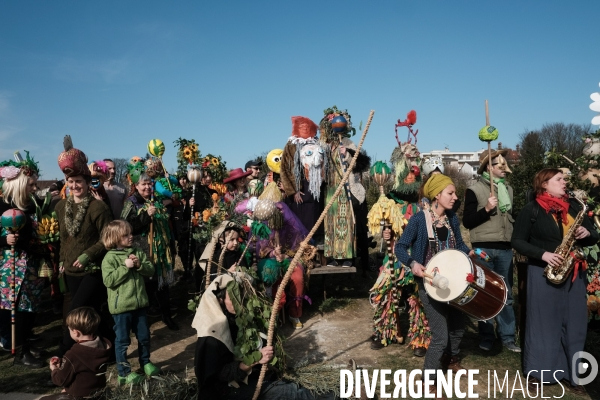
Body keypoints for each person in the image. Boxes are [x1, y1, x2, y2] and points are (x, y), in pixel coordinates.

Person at [512, 168, 597, 395]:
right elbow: (517, 241)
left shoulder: (575, 207)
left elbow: (595, 235)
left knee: (575, 324)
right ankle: (539, 373)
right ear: (544, 184)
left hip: (575, 273)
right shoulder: (531, 210)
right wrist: (543, 254)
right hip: (543, 272)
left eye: (564, 179)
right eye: (558, 179)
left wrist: (587, 234)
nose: (564, 182)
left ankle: (573, 375)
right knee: (543, 324)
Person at [192, 273, 337, 400]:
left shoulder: (233, 319)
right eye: (235, 298)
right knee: (289, 392)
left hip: (243, 378)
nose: (241, 302)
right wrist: (255, 360)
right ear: (220, 300)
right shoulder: (212, 336)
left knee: (287, 382)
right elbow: (219, 376)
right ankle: (340, 396)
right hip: (225, 391)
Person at [395, 174, 473, 399]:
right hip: (429, 284)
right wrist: (413, 263)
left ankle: (449, 361)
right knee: (440, 336)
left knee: (458, 327)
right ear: (436, 196)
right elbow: (400, 247)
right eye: (450, 193)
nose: (455, 197)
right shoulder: (419, 219)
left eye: (455, 193)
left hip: (454, 282)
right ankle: (428, 381)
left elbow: (458, 243)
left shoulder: (452, 218)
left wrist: (470, 252)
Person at [55, 137, 114, 356]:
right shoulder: (61, 207)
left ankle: (63, 353)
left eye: (78, 181)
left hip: (92, 269)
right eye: (70, 182)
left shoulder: (98, 208)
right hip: (71, 270)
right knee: (92, 312)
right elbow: (64, 237)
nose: (74, 186)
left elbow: (107, 238)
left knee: (75, 312)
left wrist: (89, 255)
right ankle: (109, 348)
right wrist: (61, 259)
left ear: (88, 182)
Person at [462, 149, 520, 353]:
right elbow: (467, 221)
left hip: (505, 248)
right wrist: (486, 210)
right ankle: (486, 336)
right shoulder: (475, 190)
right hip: (483, 248)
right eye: (500, 166)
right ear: (489, 167)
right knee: (484, 293)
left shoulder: (509, 190)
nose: (505, 169)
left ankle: (507, 337)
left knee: (506, 294)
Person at [0, 152, 48, 367]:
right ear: (19, 184)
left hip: (32, 264)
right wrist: (3, 239)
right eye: (30, 184)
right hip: (11, 267)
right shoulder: (2, 206)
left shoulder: (32, 205)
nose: (34, 188)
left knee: (30, 308)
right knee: (16, 309)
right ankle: (20, 351)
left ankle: (26, 342)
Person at [101, 220, 160, 385]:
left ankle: (145, 362)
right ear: (114, 238)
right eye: (126, 235)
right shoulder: (109, 258)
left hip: (139, 304)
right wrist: (125, 267)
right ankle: (124, 373)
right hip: (121, 308)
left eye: (130, 233)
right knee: (122, 341)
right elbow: (109, 281)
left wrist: (139, 264)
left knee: (144, 337)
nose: (131, 237)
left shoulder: (137, 252)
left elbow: (150, 270)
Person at [121, 164, 178, 330]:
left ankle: (167, 316)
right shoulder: (131, 204)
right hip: (144, 252)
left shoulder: (157, 200)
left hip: (162, 252)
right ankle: (141, 323)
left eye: (149, 183)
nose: (147, 186)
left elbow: (166, 225)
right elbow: (125, 227)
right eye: (143, 184)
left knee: (163, 286)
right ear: (136, 186)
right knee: (145, 287)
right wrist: (146, 216)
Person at [42, 307, 112, 400]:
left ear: (76, 332)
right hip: (98, 394)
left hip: (79, 397)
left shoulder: (74, 354)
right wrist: (63, 362)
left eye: (69, 329)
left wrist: (54, 369)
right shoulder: (103, 346)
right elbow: (83, 368)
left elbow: (60, 380)